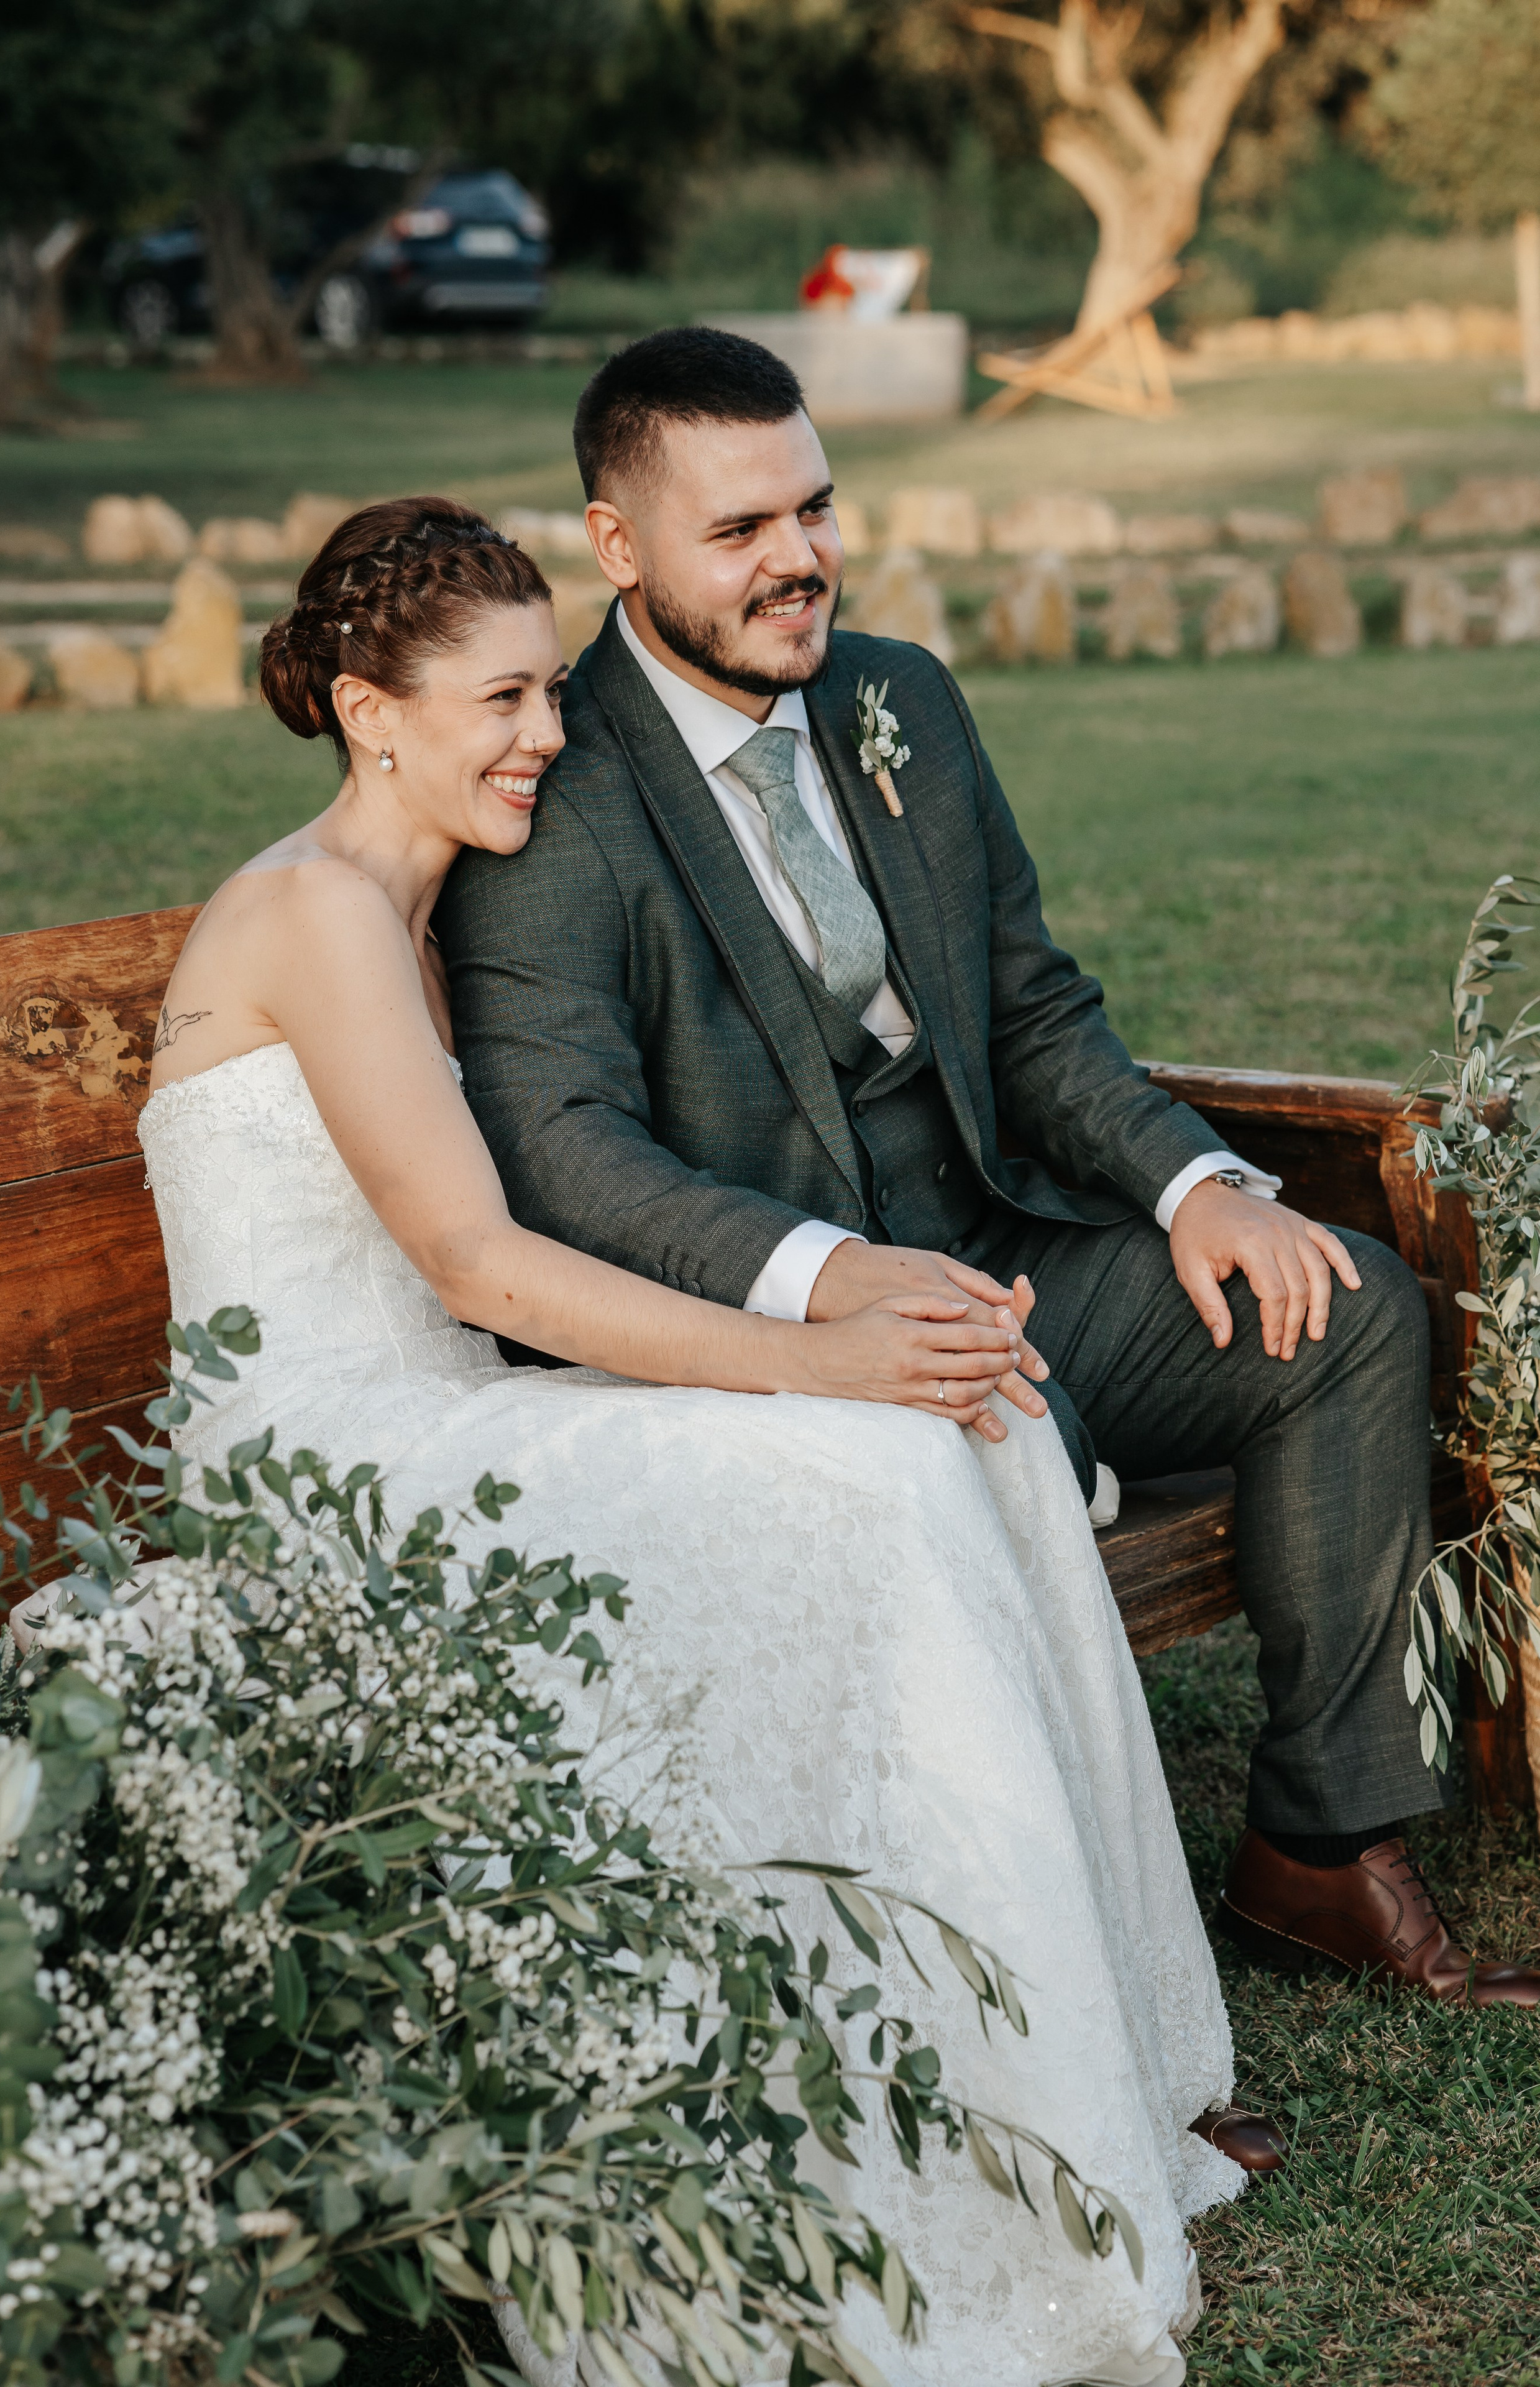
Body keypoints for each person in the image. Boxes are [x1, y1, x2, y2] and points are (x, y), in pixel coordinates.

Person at [142, 494, 1262, 2387]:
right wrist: (808, 1360)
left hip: (441, 1407)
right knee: (885, 1456)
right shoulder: (321, 915)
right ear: (368, 711)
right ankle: (881, 2123)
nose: (547, 739)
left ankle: (1076, 2088)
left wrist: (847, 1340)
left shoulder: (416, 909)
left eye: (553, 698)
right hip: (325, 1454)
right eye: (502, 703)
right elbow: (471, 1251)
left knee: (964, 1430)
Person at [433, 326, 1540, 2015]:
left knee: (1347, 1307)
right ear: (618, 548)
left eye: (814, 508)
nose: (800, 558)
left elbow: (1026, 1010)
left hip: (1002, 1247)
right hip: (774, 1349)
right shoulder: (550, 780)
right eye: (738, 532)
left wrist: (1195, 1188)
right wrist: (826, 1283)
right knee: (976, 1460)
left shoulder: (900, 703)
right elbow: (566, 1155)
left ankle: (1322, 1846)